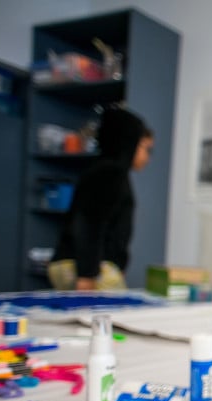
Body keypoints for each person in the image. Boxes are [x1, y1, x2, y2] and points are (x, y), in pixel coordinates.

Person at [48, 107, 154, 291]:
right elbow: (89, 224)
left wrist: (119, 264)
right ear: (128, 142)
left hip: (91, 265)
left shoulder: (112, 173)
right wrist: (87, 274)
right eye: (145, 148)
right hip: (85, 267)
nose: (147, 157)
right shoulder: (109, 173)